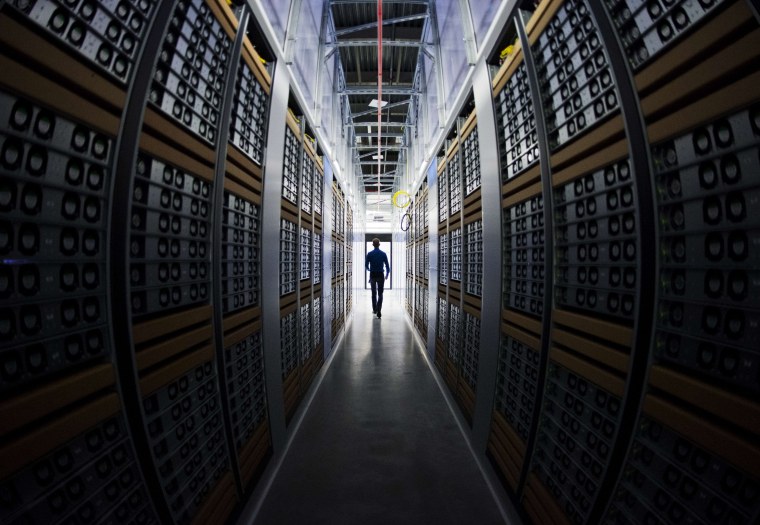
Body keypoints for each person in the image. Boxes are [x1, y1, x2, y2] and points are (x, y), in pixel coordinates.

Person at [365, 238, 390, 318]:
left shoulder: (369, 254)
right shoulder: (383, 254)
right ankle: (379, 309)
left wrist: (369, 269)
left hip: (372, 275)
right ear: (379, 244)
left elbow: (366, 266)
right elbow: (387, 266)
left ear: (373, 245)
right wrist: (387, 275)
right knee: (380, 293)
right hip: (380, 275)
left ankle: (375, 309)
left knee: (373, 293)